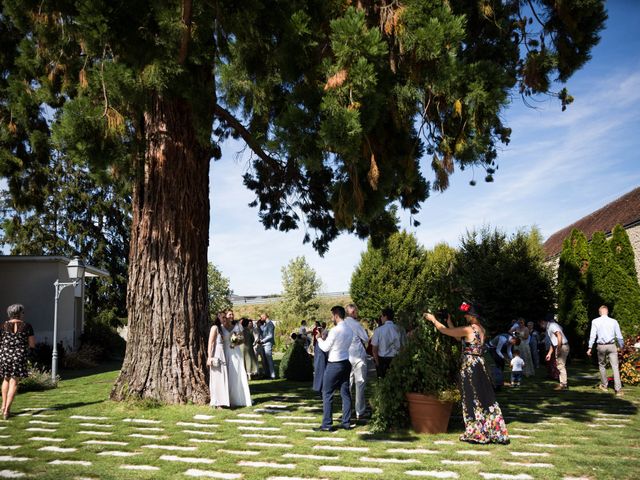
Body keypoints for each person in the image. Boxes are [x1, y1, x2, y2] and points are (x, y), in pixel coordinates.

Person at [424, 302, 509, 444]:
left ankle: (476, 432)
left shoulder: (469, 329)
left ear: (472, 316)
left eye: (467, 314)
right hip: (480, 365)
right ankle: (493, 430)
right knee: (484, 397)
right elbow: (458, 337)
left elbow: (444, 331)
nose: (465, 316)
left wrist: (433, 319)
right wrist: (450, 322)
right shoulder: (481, 330)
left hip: (470, 366)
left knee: (470, 396)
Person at [315, 306, 353, 432]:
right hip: (346, 362)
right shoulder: (349, 329)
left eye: (332, 316)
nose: (331, 318)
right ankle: (346, 422)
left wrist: (319, 338)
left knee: (327, 393)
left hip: (334, 363)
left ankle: (327, 424)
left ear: (336, 315)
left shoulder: (335, 330)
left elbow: (325, 348)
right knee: (345, 393)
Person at [1, 304, 36, 419]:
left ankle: (3, 405)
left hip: (5, 355)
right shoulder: (27, 326)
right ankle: (7, 410)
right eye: (23, 312)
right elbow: (32, 344)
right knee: (14, 382)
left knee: (6, 379)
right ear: (19, 313)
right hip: (19, 355)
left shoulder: (4, 326)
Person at [587, 305, 625, 396]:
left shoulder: (595, 321)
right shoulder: (614, 321)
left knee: (602, 365)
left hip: (601, 346)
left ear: (600, 312)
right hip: (612, 345)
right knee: (615, 367)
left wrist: (589, 348)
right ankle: (618, 390)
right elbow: (619, 336)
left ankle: (604, 385)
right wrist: (622, 346)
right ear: (607, 312)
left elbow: (593, 335)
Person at [344, 303, 369, 421]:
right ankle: (360, 411)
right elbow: (365, 338)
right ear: (353, 312)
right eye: (356, 312)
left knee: (347, 384)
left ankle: (346, 410)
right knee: (360, 384)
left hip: (346, 356)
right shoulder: (356, 324)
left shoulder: (342, 324)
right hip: (358, 357)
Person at [221, 311, 252, 407]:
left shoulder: (237, 326)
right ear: (225, 316)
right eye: (229, 314)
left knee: (238, 373)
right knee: (228, 374)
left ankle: (240, 397)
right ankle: (227, 398)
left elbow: (242, 339)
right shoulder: (221, 327)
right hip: (225, 351)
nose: (231, 316)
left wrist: (235, 343)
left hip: (236, 352)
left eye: (232, 314)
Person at [370, 307, 404, 378]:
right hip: (397, 359)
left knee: (383, 382)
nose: (381, 318)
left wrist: (377, 363)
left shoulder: (378, 330)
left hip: (383, 360)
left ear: (385, 316)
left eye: (381, 316)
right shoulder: (400, 329)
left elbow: (374, 349)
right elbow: (403, 346)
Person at [539, 314, 569, 390]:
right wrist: (549, 353)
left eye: (540, 324)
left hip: (562, 346)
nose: (540, 327)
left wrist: (558, 349)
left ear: (543, 322)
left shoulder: (552, 325)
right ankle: (563, 383)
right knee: (560, 365)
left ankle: (563, 384)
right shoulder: (549, 328)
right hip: (559, 346)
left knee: (561, 365)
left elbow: (559, 336)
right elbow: (553, 343)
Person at [207, 317, 229, 408]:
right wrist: (209, 357)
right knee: (217, 378)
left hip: (222, 354)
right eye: (222, 317)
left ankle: (222, 400)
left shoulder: (221, 328)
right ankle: (216, 401)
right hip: (216, 354)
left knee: (222, 377)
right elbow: (211, 343)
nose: (224, 318)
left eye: (225, 317)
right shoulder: (214, 327)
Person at [259, 313, 276, 379]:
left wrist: (262, 341)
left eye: (261, 317)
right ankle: (268, 374)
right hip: (264, 344)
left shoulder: (270, 324)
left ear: (265, 317)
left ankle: (273, 375)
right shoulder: (266, 324)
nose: (261, 319)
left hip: (268, 343)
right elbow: (264, 333)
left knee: (269, 359)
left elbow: (270, 335)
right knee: (265, 360)